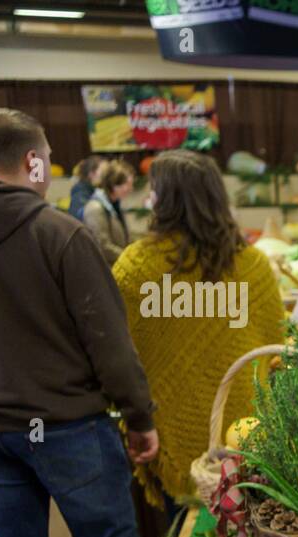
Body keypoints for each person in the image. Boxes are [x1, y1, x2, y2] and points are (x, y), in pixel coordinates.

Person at [0, 109, 157, 537]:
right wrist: (140, 418)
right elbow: (108, 345)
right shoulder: (62, 236)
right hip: (70, 427)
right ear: (33, 162)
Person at [112, 150, 284, 508]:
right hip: (242, 428)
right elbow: (274, 344)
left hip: (160, 425)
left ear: (166, 201)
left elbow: (117, 347)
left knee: (183, 534)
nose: (147, 199)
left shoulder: (136, 266)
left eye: (153, 192)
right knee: (243, 518)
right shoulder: (253, 265)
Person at [83, 159, 134, 265]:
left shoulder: (114, 204)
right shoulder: (95, 208)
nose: (131, 189)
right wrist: (129, 258)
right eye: (128, 184)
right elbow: (102, 245)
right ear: (114, 184)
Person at [68, 155, 103, 222]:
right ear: (91, 174)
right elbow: (80, 218)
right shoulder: (80, 192)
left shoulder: (96, 189)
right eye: (103, 171)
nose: (107, 174)